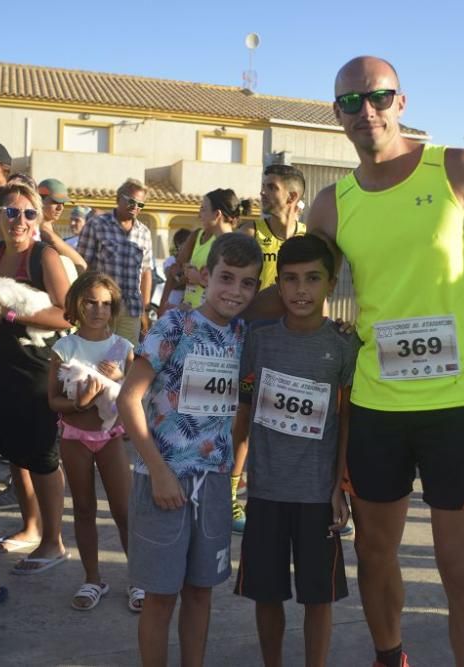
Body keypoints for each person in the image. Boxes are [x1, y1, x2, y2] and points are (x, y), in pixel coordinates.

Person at [306, 56, 464, 667]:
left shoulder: (455, 167)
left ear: (401, 102)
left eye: (378, 97)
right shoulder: (331, 204)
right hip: (377, 404)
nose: (367, 111)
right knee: (374, 555)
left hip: (459, 406)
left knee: (460, 566)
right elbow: (298, 293)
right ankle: (391, 658)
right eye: (351, 103)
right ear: (338, 115)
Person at [117, 233, 263, 667]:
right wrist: (159, 471)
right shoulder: (174, 326)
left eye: (247, 283)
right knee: (160, 598)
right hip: (161, 481)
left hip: (214, 482)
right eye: (226, 278)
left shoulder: (242, 335)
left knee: (201, 593)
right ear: (205, 275)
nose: (235, 291)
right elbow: (129, 400)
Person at [232, 235, 358, 667]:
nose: (301, 289)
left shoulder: (344, 348)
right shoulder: (259, 342)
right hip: (265, 493)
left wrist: (339, 487)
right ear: (278, 285)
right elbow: (243, 413)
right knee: (266, 594)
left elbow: (345, 424)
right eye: (290, 279)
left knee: (318, 598)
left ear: (331, 283)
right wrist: (234, 480)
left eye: (312, 278)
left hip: (317, 496)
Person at [0, 182, 72, 574]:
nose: (20, 220)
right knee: (14, 454)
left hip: (37, 369)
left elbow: (70, 315)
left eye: (29, 213)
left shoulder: (44, 256)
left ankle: (54, 541)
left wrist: (16, 314)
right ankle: (31, 527)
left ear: (38, 219)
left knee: (41, 456)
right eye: (11, 212)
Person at [47, 272, 138, 611]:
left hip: (111, 437)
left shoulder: (123, 348)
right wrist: (80, 403)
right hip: (74, 437)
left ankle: (138, 580)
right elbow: (52, 400)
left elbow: (137, 397)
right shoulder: (64, 347)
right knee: (83, 509)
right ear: (76, 304)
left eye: (106, 304)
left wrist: (120, 380)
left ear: (113, 308)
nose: (98, 310)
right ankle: (92, 578)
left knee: (124, 510)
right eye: (90, 302)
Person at [231, 165, 307, 526]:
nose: (262, 192)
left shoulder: (310, 235)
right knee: (244, 418)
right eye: (262, 186)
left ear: (291, 197)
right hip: (255, 337)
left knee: (293, 417)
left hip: (295, 339)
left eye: (270, 187)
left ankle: (292, 494)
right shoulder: (251, 232)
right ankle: (230, 496)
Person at [77, 178, 154, 344]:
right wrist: (84, 301)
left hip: (131, 309)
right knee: (98, 354)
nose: (136, 207)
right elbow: (82, 265)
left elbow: (146, 271)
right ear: (118, 199)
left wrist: (144, 308)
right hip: (102, 306)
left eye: (141, 204)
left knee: (124, 357)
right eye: (132, 201)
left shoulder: (144, 232)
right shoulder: (97, 225)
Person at [177, 189, 252, 309]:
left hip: (213, 319)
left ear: (217, 214)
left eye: (203, 209)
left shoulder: (233, 247)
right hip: (194, 314)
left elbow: (234, 288)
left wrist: (200, 279)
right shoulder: (213, 242)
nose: (199, 214)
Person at [38, 177, 87, 272]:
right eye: (55, 202)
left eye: (63, 203)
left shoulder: (50, 229)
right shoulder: (40, 231)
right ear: (40, 201)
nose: (60, 207)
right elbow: (81, 265)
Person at [156, 227, 192, 315]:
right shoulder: (171, 261)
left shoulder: (193, 261)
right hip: (172, 305)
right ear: (179, 244)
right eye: (188, 243)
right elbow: (171, 282)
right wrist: (190, 280)